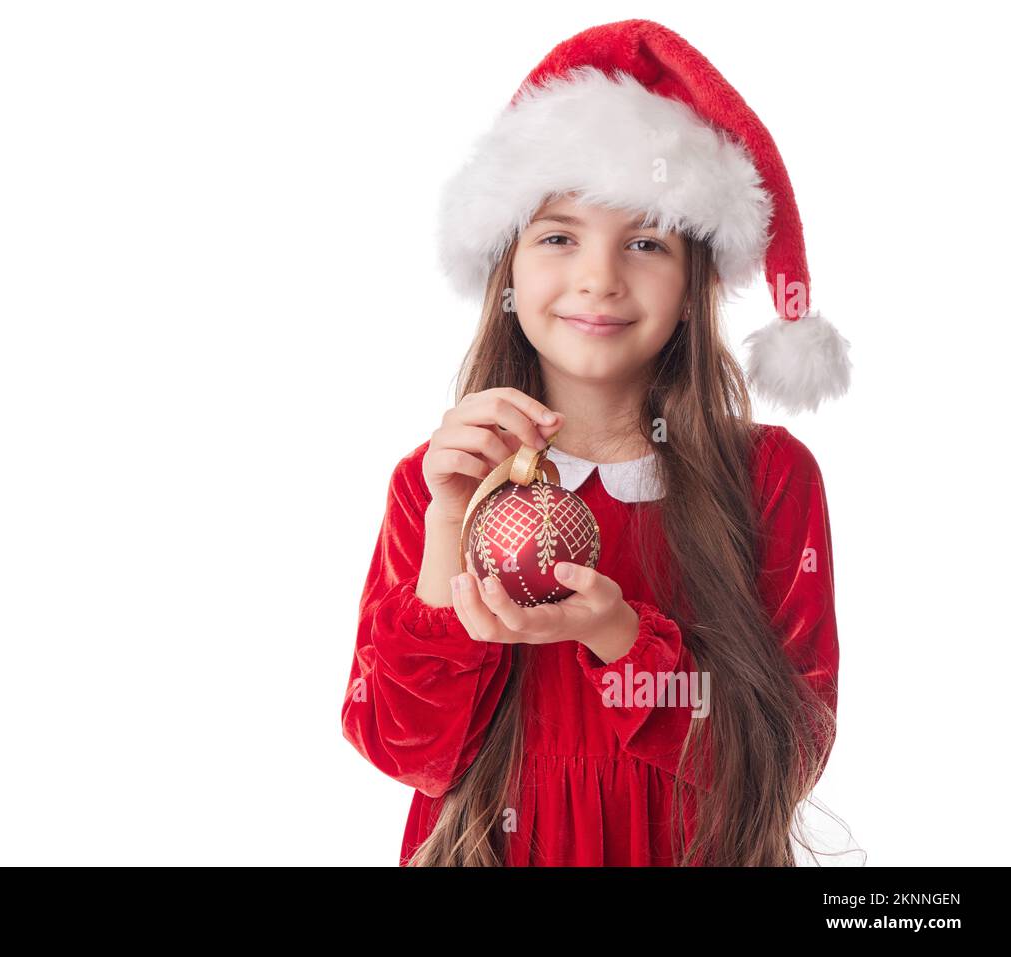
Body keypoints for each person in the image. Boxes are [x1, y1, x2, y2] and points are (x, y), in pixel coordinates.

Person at [340, 19, 849, 866]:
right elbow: (409, 748)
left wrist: (621, 637)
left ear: (694, 287)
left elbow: (786, 756)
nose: (599, 278)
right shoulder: (437, 481)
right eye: (558, 236)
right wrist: (448, 526)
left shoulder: (769, 478)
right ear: (510, 271)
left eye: (646, 242)